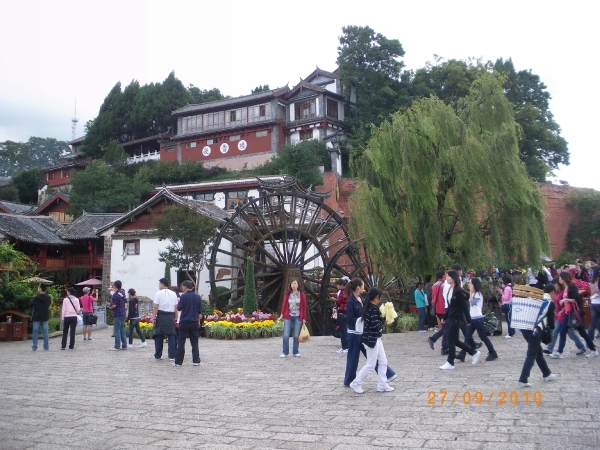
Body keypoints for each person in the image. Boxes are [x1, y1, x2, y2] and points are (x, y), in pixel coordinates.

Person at [343, 277, 397, 386]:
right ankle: (349, 380)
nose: (364, 287)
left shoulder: (361, 299)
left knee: (374, 356)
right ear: (358, 287)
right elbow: (349, 319)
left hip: (364, 332)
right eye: (362, 285)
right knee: (353, 357)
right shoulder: (350, 301)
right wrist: (362, 320)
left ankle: (387, 374)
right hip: (354, 333)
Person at [439, 270, 480, 370]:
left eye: (448, 276)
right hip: (451, 317)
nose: (446, 278)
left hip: (457, 318)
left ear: (453, 278)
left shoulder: (458, 290)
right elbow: (450, 307)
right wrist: (444, 317)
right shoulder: (450, 289)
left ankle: (450, 362)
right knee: (455, 340)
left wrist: (469, 320)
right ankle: (473, 352)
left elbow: (464, 307)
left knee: (450, 340)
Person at [518, 284, 558, 386]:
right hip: (536, 330)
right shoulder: (549, 303)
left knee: (538, 352)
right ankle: (524, 378)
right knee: (532, 354)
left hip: (525, 329)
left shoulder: (535, 298)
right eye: (555, 293)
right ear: (552, 292)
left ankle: (546, 374)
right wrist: (550, 329)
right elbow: (551, 322)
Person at [553, 271, 598, 358]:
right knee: (563, 331)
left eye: (560, 278)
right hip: (568, 312)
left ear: (563, 278)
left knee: (582, 332)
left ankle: (593, 349)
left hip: (574, 313)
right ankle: (559, 352)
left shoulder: (572, 287)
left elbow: (576, 299)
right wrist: (563, 310)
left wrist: (566, 300)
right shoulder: (565, 287)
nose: (559, 279)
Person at [456, 277, 499, 362]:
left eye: (470, 283)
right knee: (467, 337)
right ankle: (463, 353)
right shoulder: (474, 293)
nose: (469, 285)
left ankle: (492, 352)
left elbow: (472, 303)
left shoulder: (478, 294)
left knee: (483, 336)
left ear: (474, 285)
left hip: (478, 319)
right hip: (472, 319)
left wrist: (471, 293)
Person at [174, 280, 202, 367]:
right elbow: (199, 312)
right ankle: (196, 360)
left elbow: (179, 308)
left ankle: (178, 362)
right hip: (194, 322)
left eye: (182, 286)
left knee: (181, 342)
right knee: (194, 342)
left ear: (185, 287)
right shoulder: (197, 297)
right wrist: (198, 322)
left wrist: (176, 305)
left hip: (184, 322)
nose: (182, 288)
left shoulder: (183, 297)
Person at [151, 278, 179, 361]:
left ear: (162, 284)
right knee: (171, 335)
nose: (159, 285)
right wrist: (176, 317)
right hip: (170, 315)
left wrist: (154, 317)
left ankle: (158, 355)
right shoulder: (173, 294)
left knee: (159, 335)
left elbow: (156, 307)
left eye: (159, 284)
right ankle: (172, 355)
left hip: (161, 315)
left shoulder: (158, 294)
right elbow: (176, 307)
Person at [278, 279, 307, 357]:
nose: (293, 285)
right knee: (286, 335)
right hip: (288, 316)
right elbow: (284, 305)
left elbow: (304, 307)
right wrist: (281, 315)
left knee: (296, 335)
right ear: (290, 285)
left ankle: (295, 351)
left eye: (295, 283)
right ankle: (285, 352)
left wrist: (304, 318)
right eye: (292, 283)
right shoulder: (287, 294)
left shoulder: (302, 295)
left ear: (298, 285)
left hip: (298, 316)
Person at [30, 284, 51, 351]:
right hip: (45, 316)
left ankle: (34, 346)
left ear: (41, 289)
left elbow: (30, 305)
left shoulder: (36, 297)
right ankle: (46, 346)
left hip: (37, 316)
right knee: (45, 332)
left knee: (35, 332)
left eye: (38, 287)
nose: (37, 288)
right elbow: (49, 304)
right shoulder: (48, 297)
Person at [108, 280, 127, 351]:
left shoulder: (115, 295)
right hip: (123, 313)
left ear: (115, 286)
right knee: (122, 329)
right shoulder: (122, 292)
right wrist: (112, 289)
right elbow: (118, 292)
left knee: (117, 330)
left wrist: (110, 308)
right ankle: (124, 345)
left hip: (117, 313)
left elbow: (114, 305)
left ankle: (117, 346)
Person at [333, 277, 349, 353]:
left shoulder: (343, 292)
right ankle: (344, 347)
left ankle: (345, 347)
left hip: (342, 312)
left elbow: (340, 302)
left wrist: (335, 300)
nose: (337, 287)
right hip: (345, 312)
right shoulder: (346, 291)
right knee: (344, 331)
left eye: (338, 285)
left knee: (343, 331)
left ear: (342, 285)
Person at [588, 266, 600, 341]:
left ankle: (589, 341)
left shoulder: (592, 280)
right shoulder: (598, 280)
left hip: (593, 302)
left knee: (592, 323)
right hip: (598, 301)